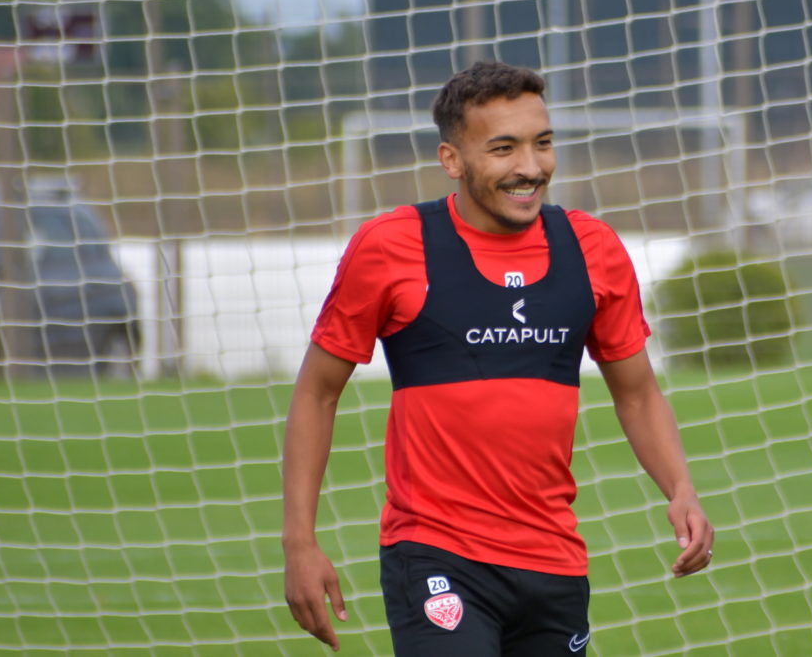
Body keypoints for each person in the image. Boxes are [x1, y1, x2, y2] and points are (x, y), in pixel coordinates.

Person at [282, 60, 713, 655]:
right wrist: (299, 543)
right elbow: (317, 393)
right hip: (435, 552)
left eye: (543, 143)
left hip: (554, 561)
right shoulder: (391, 246)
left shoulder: (592, 249)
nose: (530, 167)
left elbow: (637, 394)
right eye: (503, 149)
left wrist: (681, 489)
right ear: (452, 159)